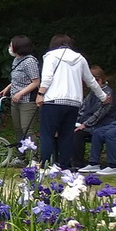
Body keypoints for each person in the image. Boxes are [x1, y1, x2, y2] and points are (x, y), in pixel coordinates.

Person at [36, 34, 104, 170]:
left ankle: (44, 164)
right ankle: (65, 165)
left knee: (47, 134)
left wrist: (40, 93)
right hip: (73, 102)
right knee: (67, 135)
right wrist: (102, 96)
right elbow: (90, 80)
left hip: (53, 101)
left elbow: (47, 77)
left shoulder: (51, 56)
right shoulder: (80, 58)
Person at [70, 66, 116, 172]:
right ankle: (65, 160)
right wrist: (77, 121)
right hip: (89, 123)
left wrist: (85, 124)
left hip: (102, 124)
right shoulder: (92, 93)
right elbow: (82, 108)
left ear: (98, 80)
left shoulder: (108, 94)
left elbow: (100, 114)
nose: (87, 84)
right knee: (68, 129)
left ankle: (78, 163)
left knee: (78, 134)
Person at [0, 35, 40, 140]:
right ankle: (21, 155)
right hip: (15, 99)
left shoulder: (30, 61)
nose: (10, 48)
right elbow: (18, 79)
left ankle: (34, 154)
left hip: (27, 101)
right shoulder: (16, 59)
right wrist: (8, 88)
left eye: (11, 45)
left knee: (26, 129)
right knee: (18, 129)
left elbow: (35, 82)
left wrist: (20, 93)